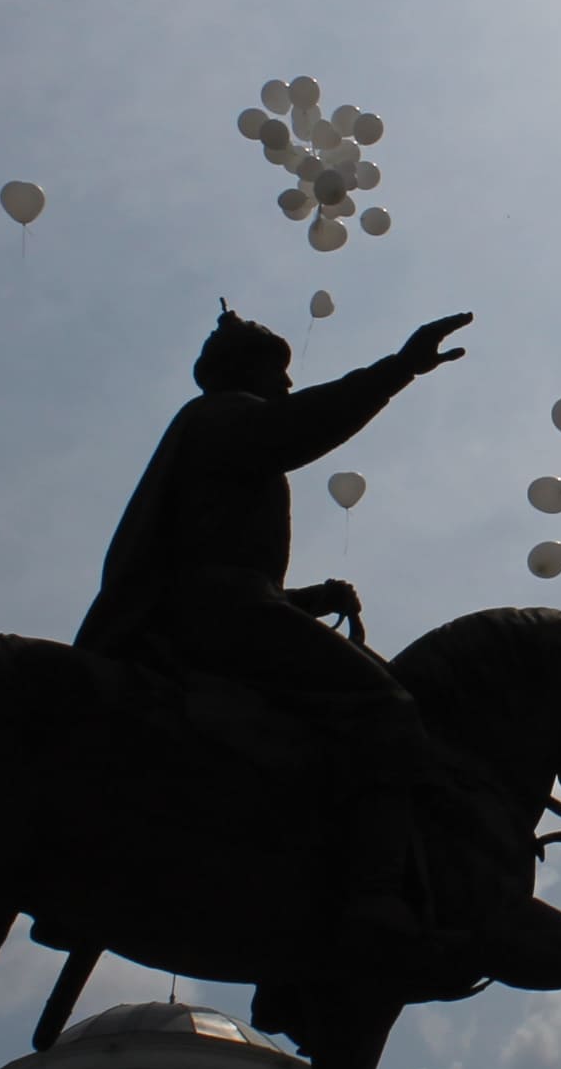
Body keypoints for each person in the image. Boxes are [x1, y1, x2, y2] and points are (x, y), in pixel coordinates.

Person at [76, 303, 473, 985]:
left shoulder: (211, 430)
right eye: (279, 372)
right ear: (245, 372)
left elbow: (223, 565)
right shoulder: (225, 415)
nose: (288, 385)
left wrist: (308, 600)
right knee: (388, 707)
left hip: (215, 608)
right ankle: (374, 897)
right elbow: (302, 427)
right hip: (216, 614)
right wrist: (401, 367)